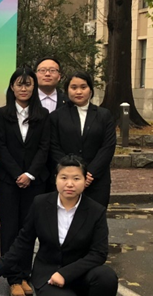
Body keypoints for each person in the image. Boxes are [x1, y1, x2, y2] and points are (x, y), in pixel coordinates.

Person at [0, 155, 118, 296]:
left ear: (85, 181)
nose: (70, 184)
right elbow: (24, 241)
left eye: (76, 178)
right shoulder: (41, 204)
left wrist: (65, 274)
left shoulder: (95, 211)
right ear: (55, 179)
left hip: (80, 273)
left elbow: (98, 253)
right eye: (64, 177)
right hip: (48, 273)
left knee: (107, 277)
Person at [0, 66, 51, 296]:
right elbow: (0, 146)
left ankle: (25, 274)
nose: (24, 88)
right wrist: (18, 173)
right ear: (12, 87)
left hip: (35, 182)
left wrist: (30, 174)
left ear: (34, 87)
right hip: (9, 180)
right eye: (19, 84)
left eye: (28, 84)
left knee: (29, 228)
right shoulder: (1, 114)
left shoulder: (43, 115)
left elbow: (44, 147)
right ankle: (13, 278)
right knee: (10, 228)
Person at [49, 71, 117, 207]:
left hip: (96, 179)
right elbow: (53, 146)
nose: (79, 92)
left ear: (90, 90)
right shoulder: (56, 116)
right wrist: (72, 172)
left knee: (95, 216)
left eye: (83, 87)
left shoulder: (104, 115)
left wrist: (88, 174)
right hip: (66, 180)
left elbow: (108, 146)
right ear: (67, 90)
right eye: (74, 87)